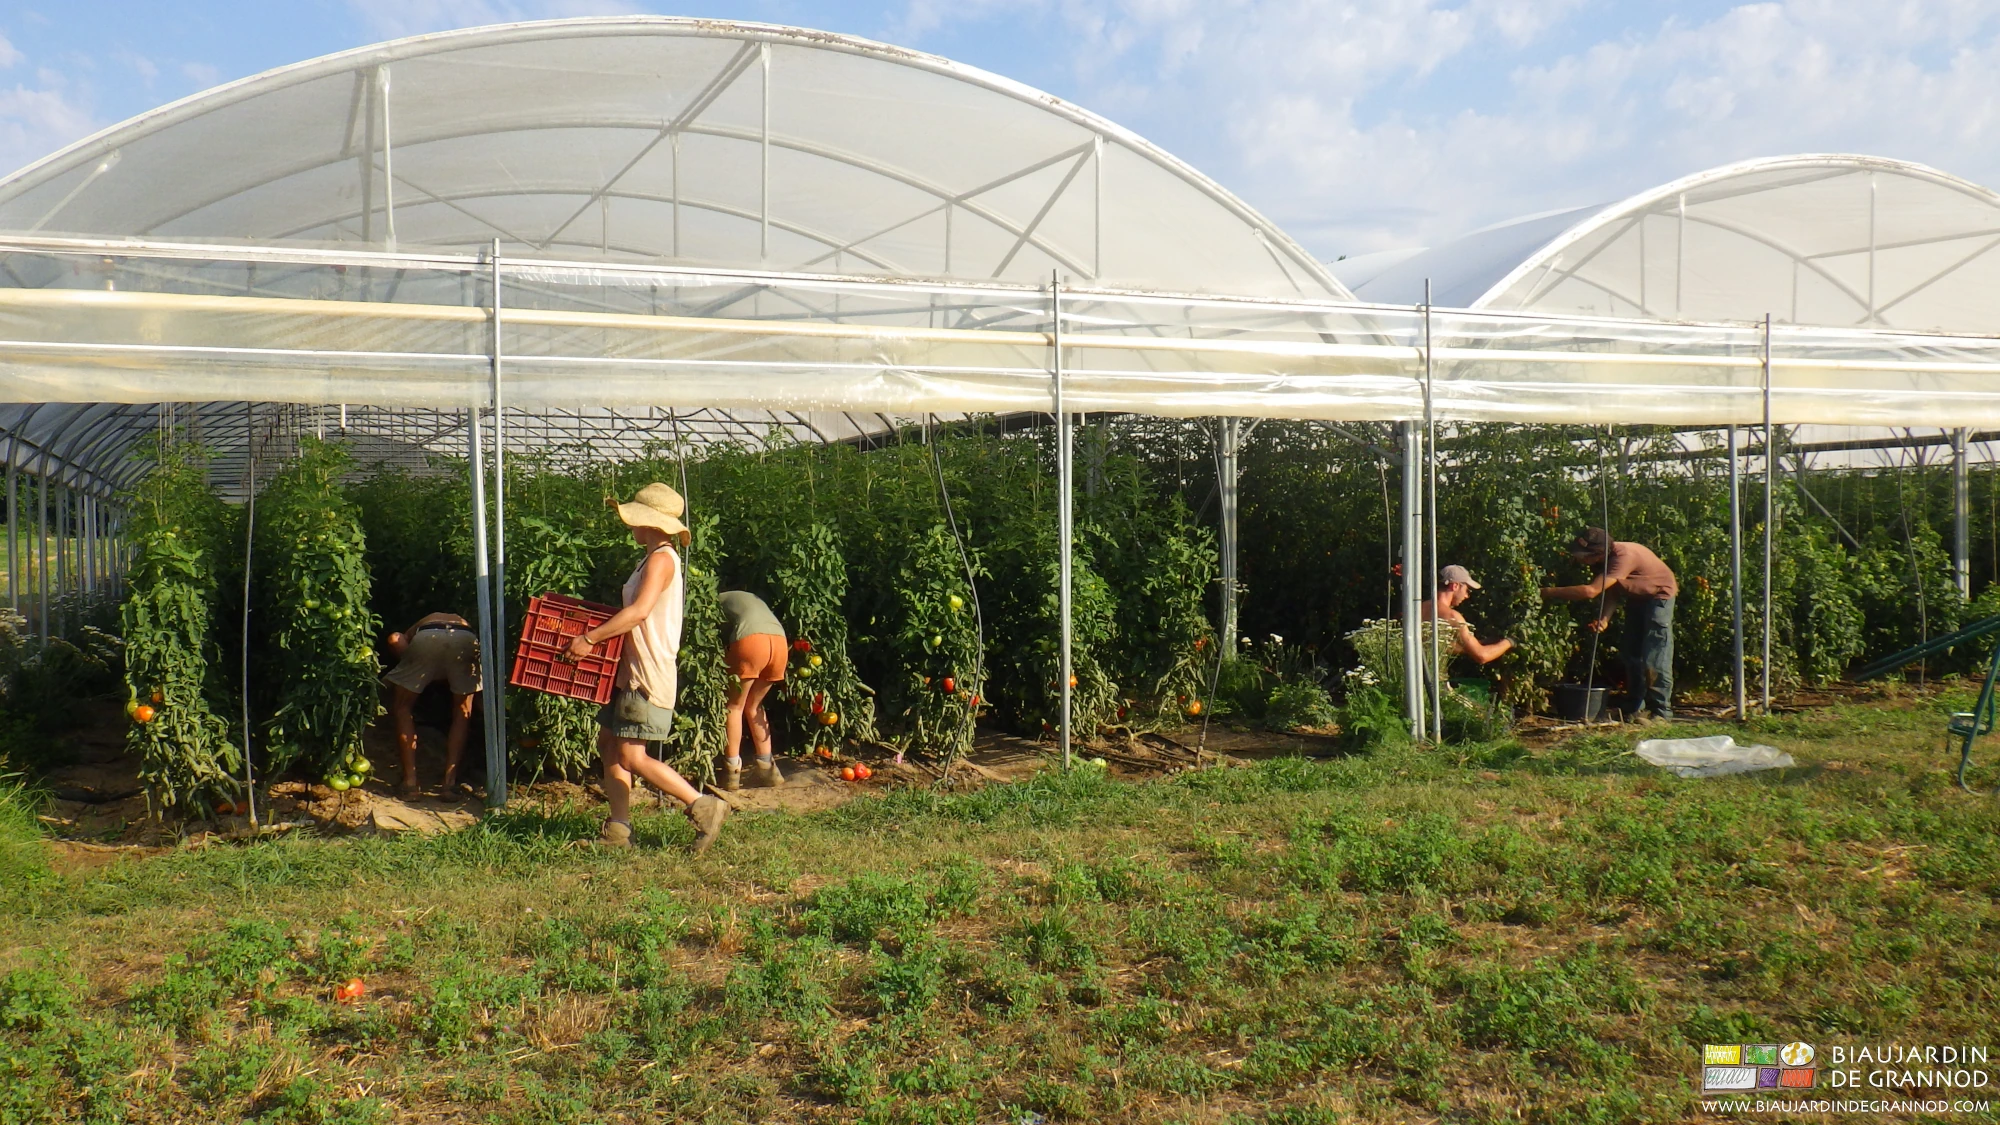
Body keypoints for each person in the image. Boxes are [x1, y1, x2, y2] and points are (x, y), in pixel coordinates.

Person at [564, 483, 729, 853]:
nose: (630, 526)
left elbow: (638, 613)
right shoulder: (651, 557)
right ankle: (618, 832)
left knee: (632, 755)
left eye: (635, 519)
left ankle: (703, 806)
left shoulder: (661, 560)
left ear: (652, 524)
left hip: (647, 673)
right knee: (609, 743)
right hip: (631, 671)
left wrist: (590, 639)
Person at [1541, 527, 1678, 722]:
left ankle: (1661, 713)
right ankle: (1634, 708)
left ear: (1599, 553)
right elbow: (1611, 592)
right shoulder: (1603, 561)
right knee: (1632, 655)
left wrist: (1547, 592)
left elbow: (1591, 591)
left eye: (1583, 555)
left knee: (1655, 656)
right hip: (1637, 597)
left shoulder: (1623, 557)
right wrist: (1605, 619)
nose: (1580, 559)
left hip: (1659, 596)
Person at [382, 612, 480, 798]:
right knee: (463, 712)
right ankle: (449, 785)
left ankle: (410, 783)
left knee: (403, 707)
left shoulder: (420, 624)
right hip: (465, 638)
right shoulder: (459, 619)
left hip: (427, 638)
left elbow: (395, 639)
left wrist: (410, 662)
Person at [717, 590, 786, 791]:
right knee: (754, 706)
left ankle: (731, 770)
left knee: (734, 706)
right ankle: (767, 767)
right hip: (779, 642)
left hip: (751, 641)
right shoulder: (745, 598)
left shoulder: (714, 603)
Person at [1419, 564, 1514, 665]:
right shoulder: (1452, 617)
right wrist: (1509, 642)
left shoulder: (1419, 608)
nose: (1466, 596)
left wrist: (1476, 644)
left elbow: (1435, 645)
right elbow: (1482, 656)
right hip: (1432, 678)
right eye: (1466, 590)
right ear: (1455, 586)